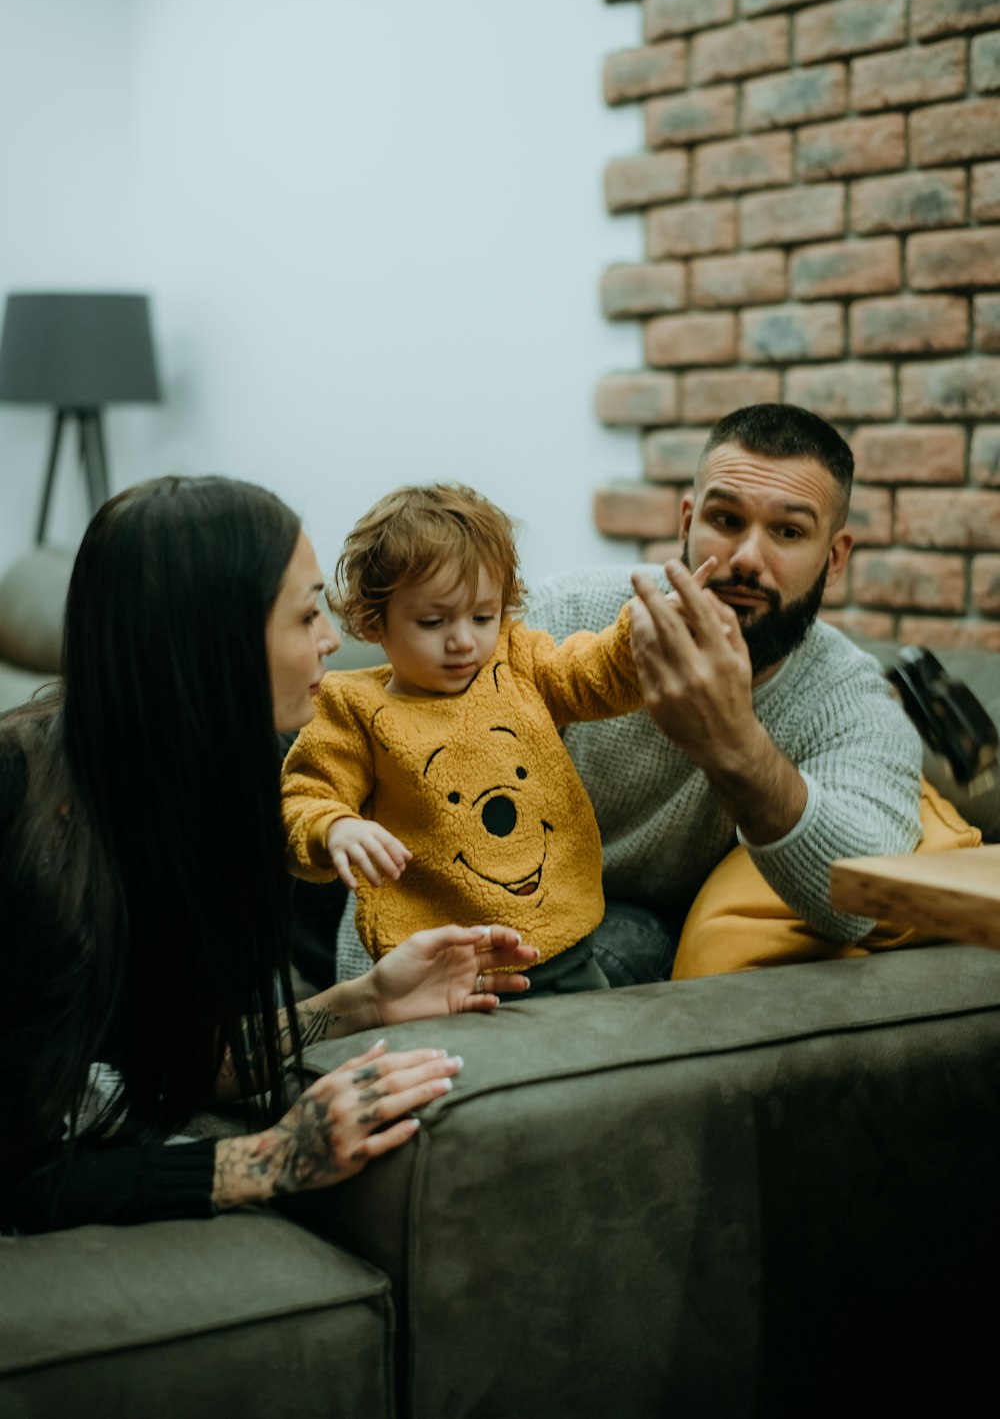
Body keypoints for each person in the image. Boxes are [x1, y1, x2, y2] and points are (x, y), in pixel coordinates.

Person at [0, 476, 536, 1234]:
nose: (329, 639)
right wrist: (269, 1160)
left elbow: (167, 1068)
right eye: (306, 612)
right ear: (212, 640)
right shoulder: (21, 813)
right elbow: (19, 1169)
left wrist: (366, 1002)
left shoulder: (226, 780)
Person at [526, 403, 925, 985]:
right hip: (489, 891)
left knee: (620, 946)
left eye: (788, 531)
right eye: (726, 519)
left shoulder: (853, 701)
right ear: (688, 522)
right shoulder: (563, 615)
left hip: (629, 930)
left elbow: (860, 902)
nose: (746, 559)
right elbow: (415, 778)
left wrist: (734, 746)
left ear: (834, 558)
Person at [281, 484, 692, 994]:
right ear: (373, 620)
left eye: (482, 616)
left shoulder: (516, 662)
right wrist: (335, 828)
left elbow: (589, 675)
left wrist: (641, 635)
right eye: (433, 621)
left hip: (564, 951)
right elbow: (305, 795)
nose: (463, 640)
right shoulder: (351, 709)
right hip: (438, 974)